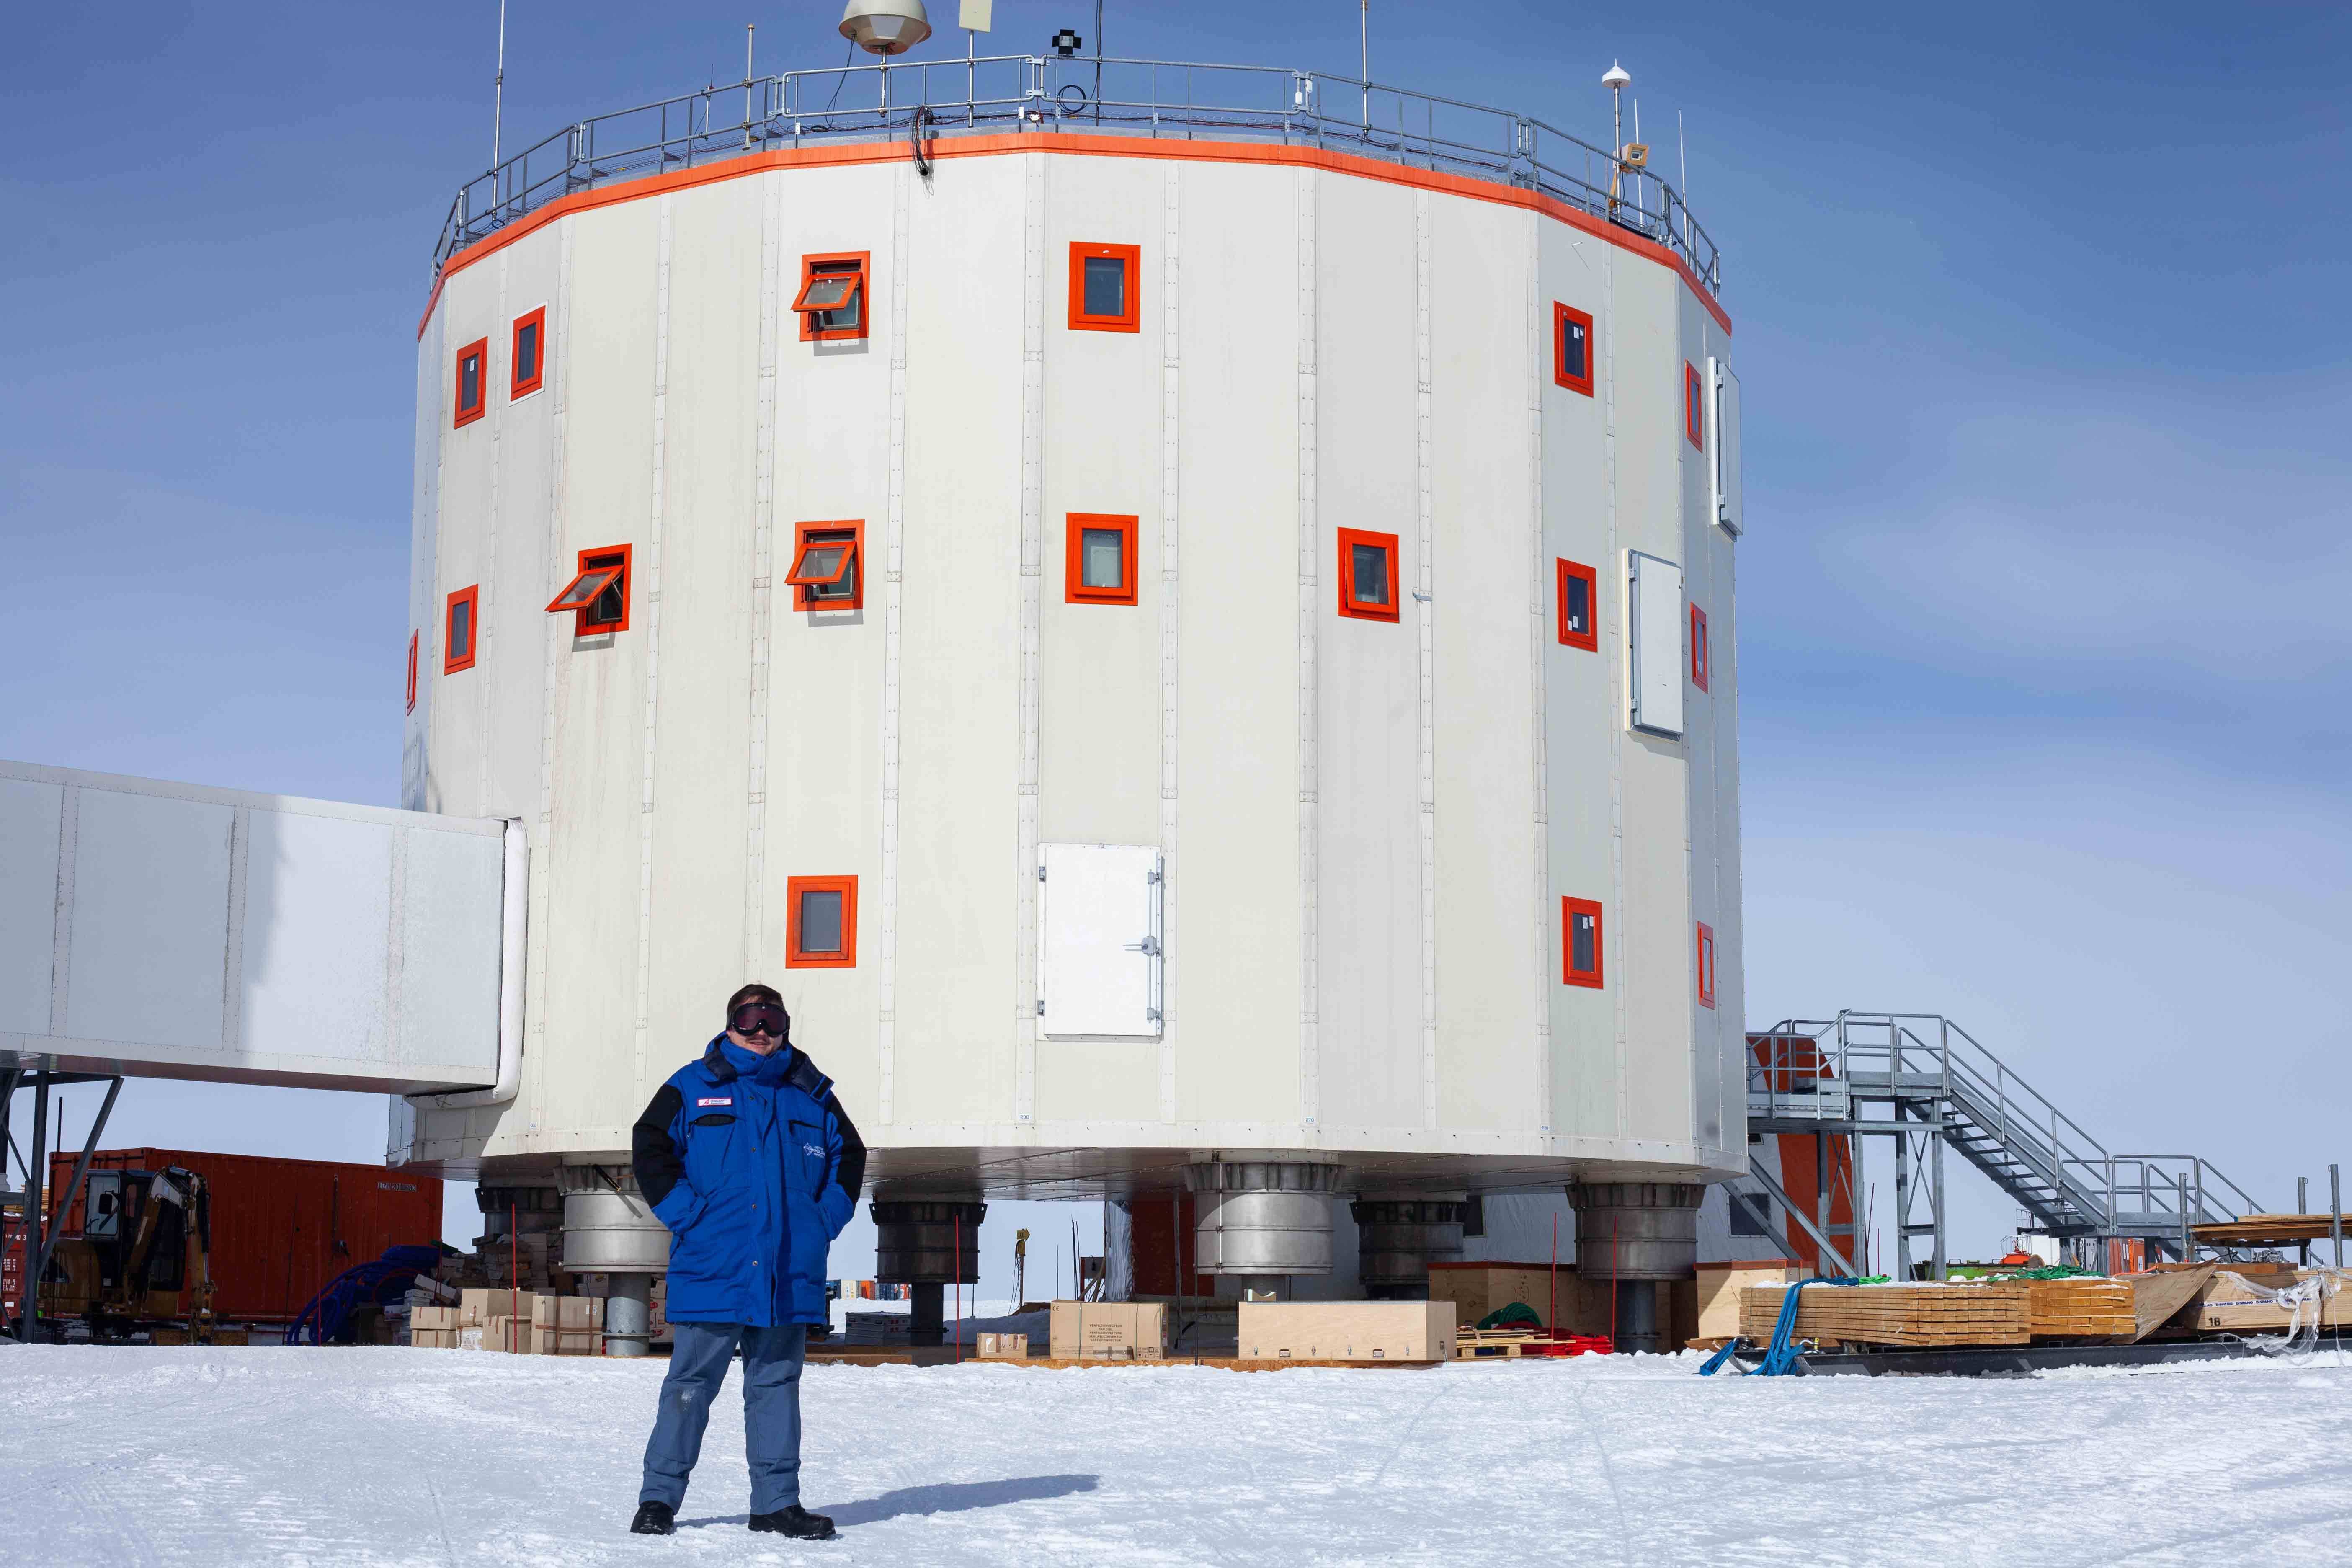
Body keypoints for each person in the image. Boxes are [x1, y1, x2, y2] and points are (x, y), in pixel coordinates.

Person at [627, 983, 865, 1539]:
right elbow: (650, 1146)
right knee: (689, 1386)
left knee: (776, 1386)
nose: (762, 1032)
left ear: (786, 1025)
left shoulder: (813, 1093)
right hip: (716, 1265)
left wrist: (821, 1220)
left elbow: (848, 1155)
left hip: (787, 1270)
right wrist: (689, 1215)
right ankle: (658, 1500)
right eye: (750, 1019)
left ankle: (777, 1504)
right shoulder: (691, 1085)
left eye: (772, 1020)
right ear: (731, 1022)